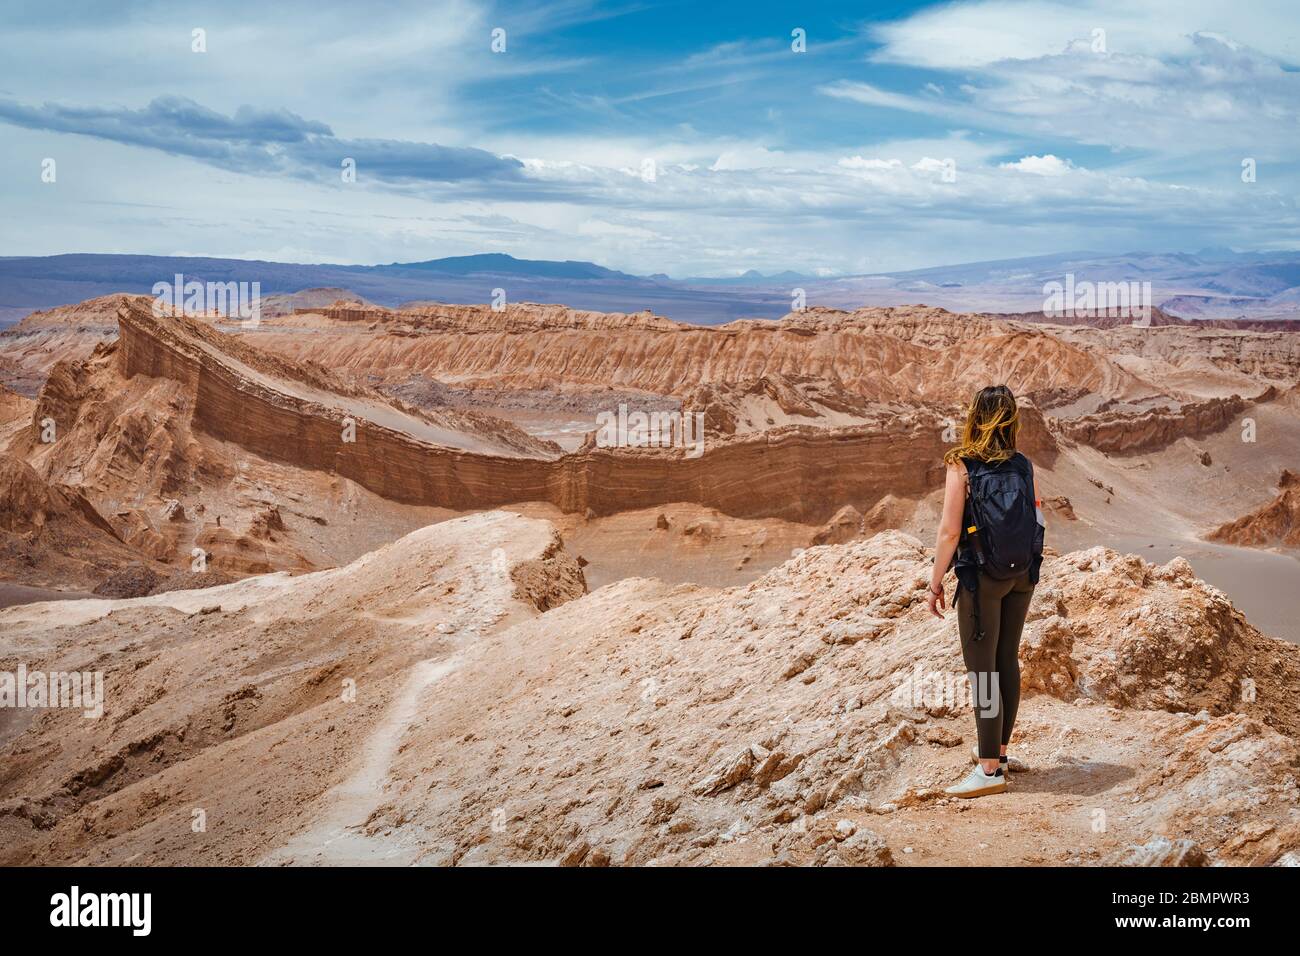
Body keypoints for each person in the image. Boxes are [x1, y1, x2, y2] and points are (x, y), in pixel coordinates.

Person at [926, 385, 1044, 799]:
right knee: (1006, 660)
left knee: (983, 675)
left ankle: (989, 770)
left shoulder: (962, 466)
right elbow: (1037, 517)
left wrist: (936, 580)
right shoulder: (1023, 465)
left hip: (982, 581)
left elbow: (949, 531)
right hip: (1021, 577)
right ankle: (1000, 753)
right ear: (1011, 420)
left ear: (974, 417)